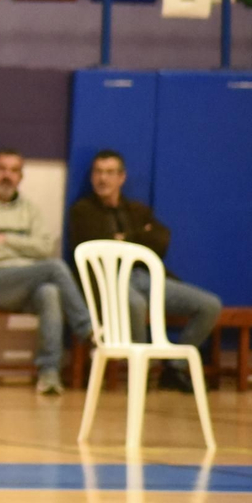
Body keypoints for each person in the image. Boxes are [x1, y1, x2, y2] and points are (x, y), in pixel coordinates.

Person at [68, 150, 222, 391]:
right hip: (110, 281)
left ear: (122, 177)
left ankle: (175, 367)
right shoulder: (82, 211)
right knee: (135, 304)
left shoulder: (138, 210)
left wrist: (124, 239)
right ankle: (141, 372)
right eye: (97, 172)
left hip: (145, 277)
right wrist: (139, 238)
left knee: (209, 305)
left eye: (109, 172)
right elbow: (92, 245)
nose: (102, 179)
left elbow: (161, 240)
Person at [0, 149, 94, 395]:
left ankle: (49, 373)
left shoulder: (29, 209)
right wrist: (26, 251)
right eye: (2, 169)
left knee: (49, 291)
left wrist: (6, 239)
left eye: (14, 170)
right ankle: (86, 330)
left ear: (21, 176)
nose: (7, 176)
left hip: (26, 282)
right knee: (54, 268)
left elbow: (44, 247)